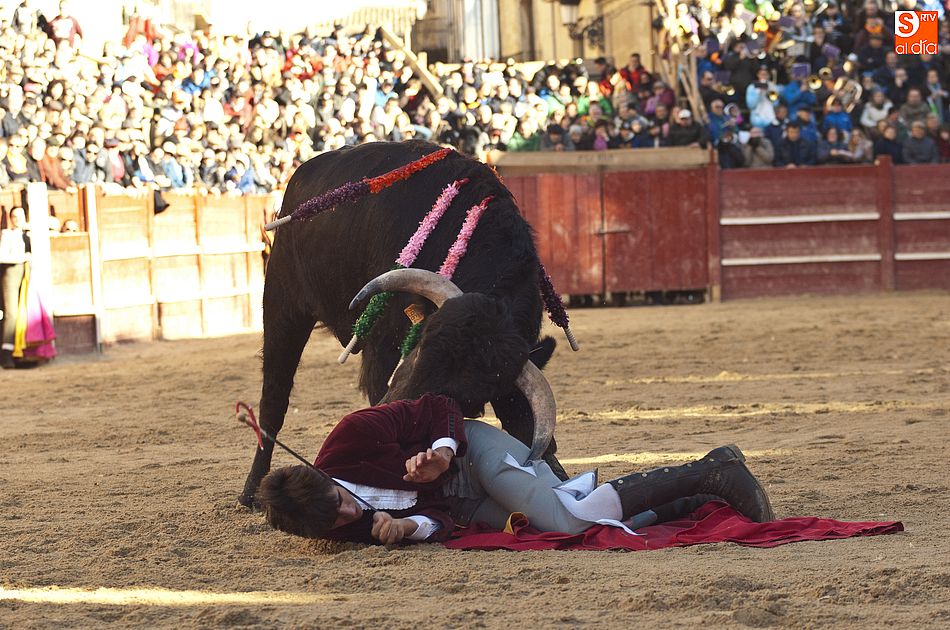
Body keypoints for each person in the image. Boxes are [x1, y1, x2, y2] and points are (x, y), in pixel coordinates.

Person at [256, 394, 774, 545]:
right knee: (565, 532)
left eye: (342, 500)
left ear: (322, 477)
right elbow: (435, 519)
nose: (352, 512)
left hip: (473, 451)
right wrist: (411, 529)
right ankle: (686, 499)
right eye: (338, 518)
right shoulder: (334, 526)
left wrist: (439, 452)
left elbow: (437, 406)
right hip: (459, 504)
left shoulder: (350, 437)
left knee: (566, 520)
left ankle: (711, 472)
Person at [0, 207, 30, 368]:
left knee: (25, 311)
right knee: (11, 313)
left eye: (20, 216)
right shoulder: (7, 234)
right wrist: (22, 257)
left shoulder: (29, 234)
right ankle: (6, 355)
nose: (17, 219)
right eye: (14, 216)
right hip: (11, 273)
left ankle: (24, 351)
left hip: (28, 275)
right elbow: (2, 256)